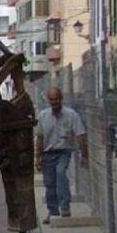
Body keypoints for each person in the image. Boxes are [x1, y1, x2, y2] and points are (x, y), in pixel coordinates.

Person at [34, 87, 88, 224]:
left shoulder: (71, 115)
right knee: (49, 184)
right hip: (47, 154)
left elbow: (80, 134)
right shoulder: (43, 116)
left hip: (64, 152)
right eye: (51, 100)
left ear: (61, 99)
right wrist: (38, 157)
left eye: (56, 99)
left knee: (60, 172)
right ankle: (53, 212)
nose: (54, 102)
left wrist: (84, 155)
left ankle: (64, 205)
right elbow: (39, 138)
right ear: (48, 100)